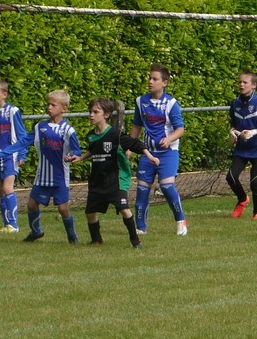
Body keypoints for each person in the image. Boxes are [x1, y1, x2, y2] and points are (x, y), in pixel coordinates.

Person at [0, 90, 82, 243]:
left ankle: (72, 236)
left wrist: (73, 155)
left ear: (64, 108)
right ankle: (36, 231)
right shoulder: (40, 127)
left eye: (53, 105)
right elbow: (23, 142)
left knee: (63, 208)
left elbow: (77, 149)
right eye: (48, 104)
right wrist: (2, 153)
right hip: (42, 177)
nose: (49, 107)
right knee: (32, 205)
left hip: (60, 177)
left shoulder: (68, 130)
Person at [69, 98, 159, 248]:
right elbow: (93, 150)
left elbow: (135, 144)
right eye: (90, 112)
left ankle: (135, 240)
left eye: (95, 112)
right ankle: (96, 240)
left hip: (115, 180)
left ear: (106, 115)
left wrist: (150, 157)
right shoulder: (91, 135)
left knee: (124, 209)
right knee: (90, 213)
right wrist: (80, 158)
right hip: (97, 181)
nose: (91, 115)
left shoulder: (115, 135)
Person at [130, 63, 187, 236]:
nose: (150, 82)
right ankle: (141, 228)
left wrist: (169, 139)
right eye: (149, 78)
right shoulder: (141, 101)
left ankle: (181, 221)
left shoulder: (171, 103)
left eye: (155, 79)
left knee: (167, 186)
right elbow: (137, 126)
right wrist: (130, 147)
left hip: (168, 153)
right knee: (142, 190)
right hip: (148, 153)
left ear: (164, 83)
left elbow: (180, 129)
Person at [226, 70, 257, 219]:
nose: (241, 85)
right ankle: (242, 199)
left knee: (255, 180)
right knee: (231, 177)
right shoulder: (235, 104)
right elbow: (233, 124)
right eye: (240, 82)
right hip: (241, 149)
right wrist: (232, 132)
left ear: (253, 85)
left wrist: (254, 132)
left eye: (245, 82)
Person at [0, 78, 27, 233]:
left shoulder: (13, 111)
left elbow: (22, 134)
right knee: (1, 190)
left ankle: (14, 225)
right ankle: (7, 224)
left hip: (11, 155)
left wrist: (22, 154)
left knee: (7, 187)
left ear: (4, 94)